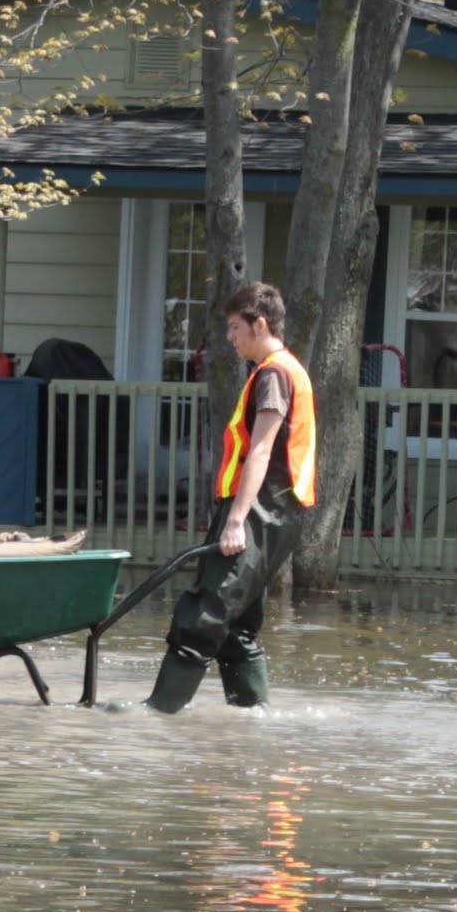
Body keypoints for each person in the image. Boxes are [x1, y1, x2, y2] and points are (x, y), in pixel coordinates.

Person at [143, 282, 316, 713]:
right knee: (237, 627)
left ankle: (155, 715)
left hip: (260, 511)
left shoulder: (274, 374)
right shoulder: (282, 370)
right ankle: (254, 721)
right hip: (273, 512)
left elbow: (260, 450)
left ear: (259, 324)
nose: (229, 337)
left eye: (235, 327)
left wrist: (236, 520)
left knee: (205, 614)